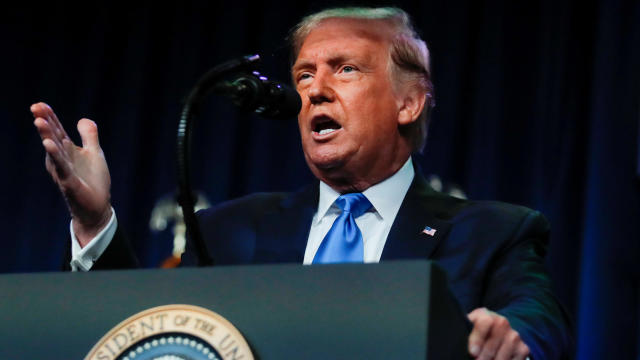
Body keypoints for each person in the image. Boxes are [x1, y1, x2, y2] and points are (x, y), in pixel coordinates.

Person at [31, 7, 571, 360]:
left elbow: (538, 323)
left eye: (345, 69)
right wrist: (94, 222)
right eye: (304, 75)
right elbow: (145, 334)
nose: (315, 90)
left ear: (409, 101)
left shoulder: (495, 231)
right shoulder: (227, 232)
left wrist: (511, 335)